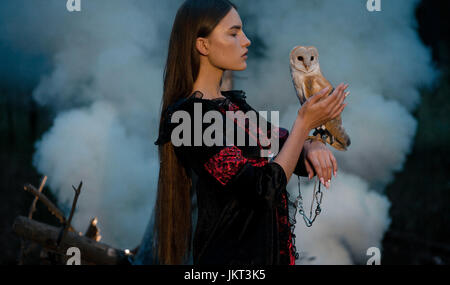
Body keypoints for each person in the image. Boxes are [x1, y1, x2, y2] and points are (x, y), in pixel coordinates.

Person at [146, 0, 348, 265]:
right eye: (234, 33)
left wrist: (311, 142)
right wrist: (304, 124)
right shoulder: (188, 118)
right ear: (203, 45)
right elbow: (262, 188)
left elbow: (285, 150)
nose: (247, 40)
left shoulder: (235, 107)